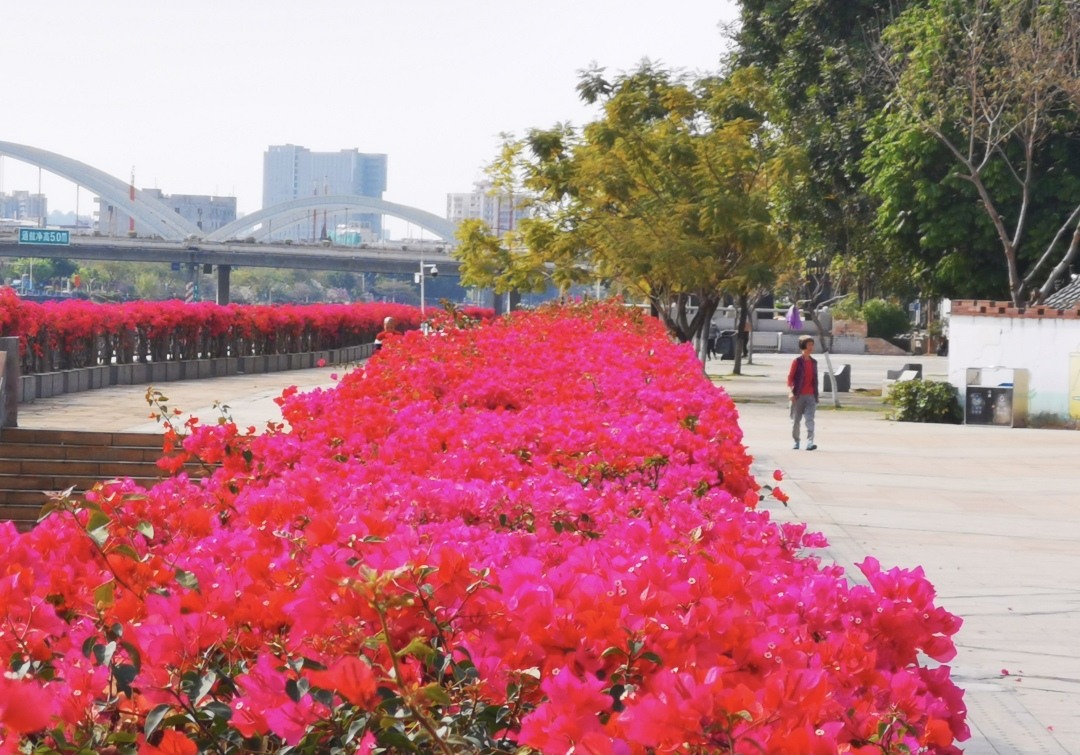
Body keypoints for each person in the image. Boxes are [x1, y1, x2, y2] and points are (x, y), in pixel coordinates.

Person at [787, 335, 818, 450]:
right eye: (809, 345)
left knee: (810, 419)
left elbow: (815, 380)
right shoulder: (797, 361)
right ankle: (796, 441)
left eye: (812, 345)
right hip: (798, 396)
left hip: (811, 396)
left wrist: (816, 395)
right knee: (796, 420)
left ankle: (810, 441)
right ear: (803, 346)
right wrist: (790, 392)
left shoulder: (814, 362)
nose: (811, 347)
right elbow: (790, 378)